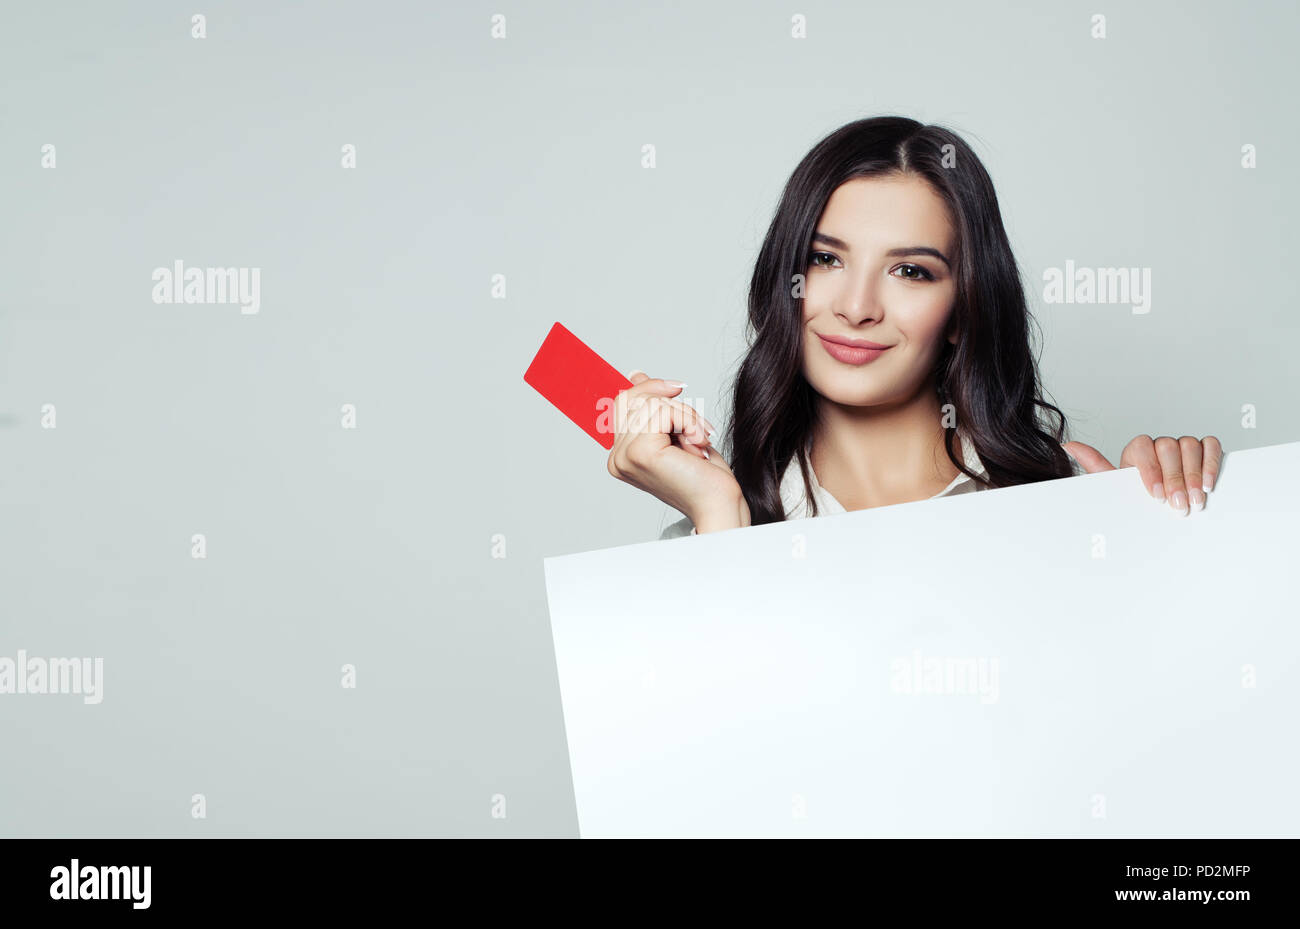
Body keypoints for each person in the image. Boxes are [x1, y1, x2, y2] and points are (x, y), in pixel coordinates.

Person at [603, 116, 1222, 539]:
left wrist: (1172, 519)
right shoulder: (714, 533)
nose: (856, 306)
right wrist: (718, 513)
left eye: (909, 270)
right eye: (825, 259)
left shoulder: (1068, 496)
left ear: (963, 310)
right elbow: (715, 724)